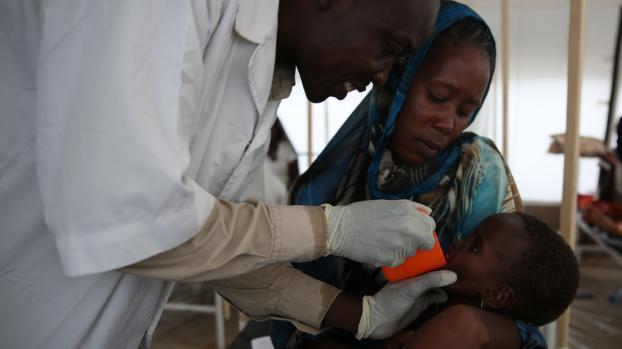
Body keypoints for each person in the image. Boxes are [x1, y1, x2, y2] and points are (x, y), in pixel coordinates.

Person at [0, 1, 452, 347]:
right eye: (389, 49)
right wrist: (330, 229)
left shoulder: (262, 68)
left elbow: (215, 246)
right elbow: (134, 219)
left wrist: (362, 315)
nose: (380, 77)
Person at [272, 3, 547, 348]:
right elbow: (289, 312)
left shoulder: (476, 174)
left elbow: (512, 300)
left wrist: (446, 332)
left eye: (466, 111)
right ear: (396, 79)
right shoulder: (327, 185)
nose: (447, 123)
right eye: (437, 97)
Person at [308, 212, 580, 349]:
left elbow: (465, 326)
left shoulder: (466, 321)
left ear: (497, 294)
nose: (458, 242)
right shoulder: (448, 314)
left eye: (475, 246)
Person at [265, 119, 300, 204]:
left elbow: (295, 175)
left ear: (277, 129)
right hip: (263, 194)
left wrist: (288, 194)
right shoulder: (259, 150)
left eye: (272, 127)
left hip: (284, 194)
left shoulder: (286, 149)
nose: (269, 130)